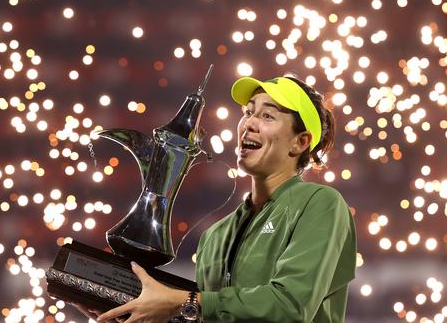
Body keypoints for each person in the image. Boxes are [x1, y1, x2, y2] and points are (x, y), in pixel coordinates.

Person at [95, 75, 357, 323]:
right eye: (248, 112)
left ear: (300, 142)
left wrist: (184, 301)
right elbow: (204, 312)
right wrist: (123, 311)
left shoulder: (320, 204)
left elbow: (290, 306)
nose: (250, 123)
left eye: (267, 115)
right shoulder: (214, 236)